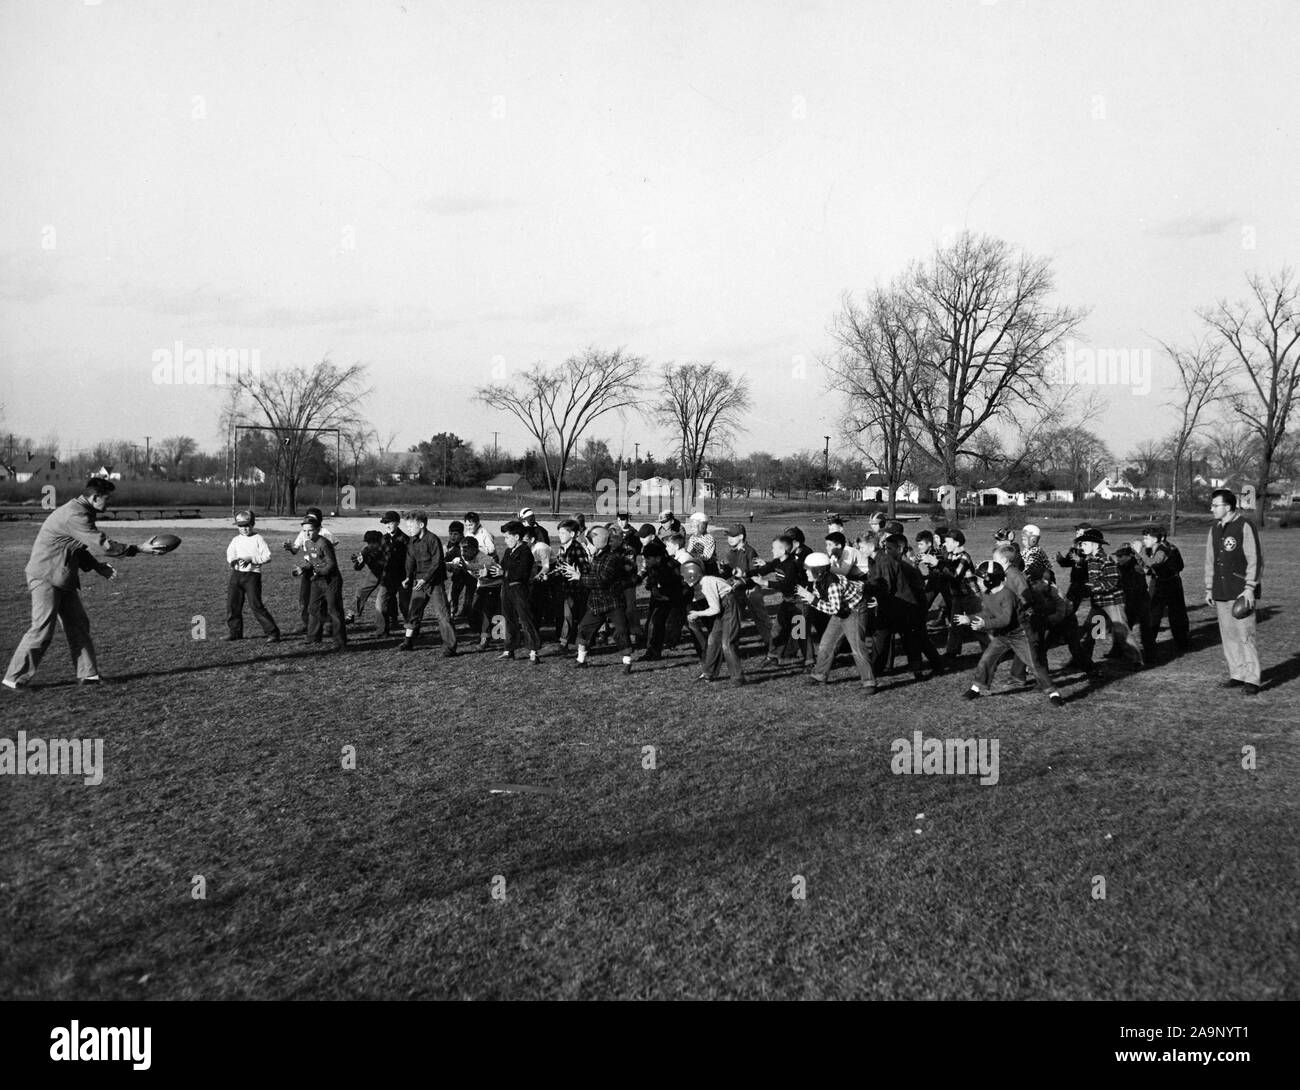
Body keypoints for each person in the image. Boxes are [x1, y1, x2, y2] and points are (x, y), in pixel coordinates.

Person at [4, 478, 158, 689]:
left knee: (78, 624)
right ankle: (14, 678)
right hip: (45, 576)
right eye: (107, 499)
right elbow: (100, 544)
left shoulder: (81, 510)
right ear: (94, 497)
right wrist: (138, 548)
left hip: (62, 576)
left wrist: (96, 566)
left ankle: (88, 675)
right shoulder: (76, 514)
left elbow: (77, 546)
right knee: (42, 629)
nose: (109, 503)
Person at [959, 561, 1064, 706]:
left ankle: (1053, 693)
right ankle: (976, 688)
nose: (978, 582)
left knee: (1034, 664)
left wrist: (985, 624)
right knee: (986, 660)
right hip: (1003, 635)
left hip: (1020, 634)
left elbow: (1005, 619)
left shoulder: (1007, 595)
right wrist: (969, 618)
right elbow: (988, 612)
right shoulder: (988, 593)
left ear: (990, 580)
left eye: (980, 579)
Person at [1205, 489, 1263, 694]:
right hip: (1221, 591)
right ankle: (1237, 674)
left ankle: (1252, 679)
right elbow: (1210, 559)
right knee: (1228, 635)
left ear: (1227, 507)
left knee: (1246, 636)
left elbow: (1255, 558)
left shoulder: (1244, 526)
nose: (1211, 509)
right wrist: (1209, 587)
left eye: (1215, 505)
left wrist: (1249, 588)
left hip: (1240, 592)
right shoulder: (1214, 528)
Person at [797, 551, 877, 692]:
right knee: (826, 644)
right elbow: (828, 603)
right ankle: (819, 675)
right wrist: (810, 598)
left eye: (808, 570)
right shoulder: (819, 582)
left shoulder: (833, 584)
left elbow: (834, 609)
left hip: (855, 611)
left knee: (857, 647)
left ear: (819, 571)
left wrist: (812, 600)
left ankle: (869, 682)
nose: (806, 572)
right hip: (842, 611)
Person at [871, 533, 944, 681]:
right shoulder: (897, 562)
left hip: (912, 607)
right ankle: (878, 668)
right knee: (908, 638)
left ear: (900, 548)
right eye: (886, 548)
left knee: (916, 639)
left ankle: (926, 668)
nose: (887, 551)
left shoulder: (905, 564)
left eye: (890, 548)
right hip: (903, 606)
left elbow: (898, 586)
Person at [562, 524, 633, 674]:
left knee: (621, 631)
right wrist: (578, 572)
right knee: (584, 628)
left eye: (589, 541)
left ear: (599, 541)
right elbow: (593, 577)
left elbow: (601, 581)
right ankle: (581, 660)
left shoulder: (611, 558)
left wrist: (580, 577)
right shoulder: (598, 556)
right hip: (596, 603)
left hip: (613, 602)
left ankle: (627, 662)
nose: (587, 544)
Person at [1076, 528, 1143, 667]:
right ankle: (1083, 660)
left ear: (1095, 544)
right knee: (1092, 631)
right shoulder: (1091, 559)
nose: (1082, 547)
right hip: (1099, 603)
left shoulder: (1105, 560)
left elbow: (1113, 581)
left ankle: (1136, 660)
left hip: (1112, 602)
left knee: (1121, 630)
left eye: (1084, 544)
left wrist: (1093, 587)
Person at [398, 512, 458, 656]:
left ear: (421, 525)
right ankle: (408, 641)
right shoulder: (412, 541)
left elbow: (437, 563)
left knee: (442, 614)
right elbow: (410, 560)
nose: (408, 529)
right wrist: (407, 577)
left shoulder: (433, 540)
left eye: (411, 526)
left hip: (434, 583)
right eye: (407, 526)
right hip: (419, 583)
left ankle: (449, 647)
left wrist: (425, 579)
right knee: (413, 611)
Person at [682, 560, 746, 685]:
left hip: (729, 605)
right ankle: (708, 673)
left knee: (727, 643)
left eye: (685, 577)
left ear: (692, 575)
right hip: (725, 605)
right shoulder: (703, 581)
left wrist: (697, 614)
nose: (684, 580)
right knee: (713, 640)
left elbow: (715, 609)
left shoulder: (706, 583)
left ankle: (738, 677)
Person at [224, 509, 281, 643]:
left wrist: (252, 559)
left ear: (252, 524)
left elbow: (267, 556)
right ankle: (235, 632)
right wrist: (232, 561)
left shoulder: (258, 539)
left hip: (252, 576)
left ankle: (273, 633)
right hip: (236, 575)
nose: (244, 529)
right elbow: (230, 554)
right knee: (233, 605)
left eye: (247, 526)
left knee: (256, 605)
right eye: (241, 526)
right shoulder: (236, 540)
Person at [1134, 525, 1190, 655]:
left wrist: (1138, 552)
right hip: (1158, 581)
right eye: (1144, 538)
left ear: (1158, 538)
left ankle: (1182, 642)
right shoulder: (1151, 549)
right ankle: (1149, 643)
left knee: (1175, 614)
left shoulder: (1163, 550)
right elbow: (1147, 566)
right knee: (1153, 613)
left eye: (1147, 538)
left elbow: (1153, 563)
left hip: (1171, 583)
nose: (1144, 541)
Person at [720, 523, 773, 660]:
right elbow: (731, 572)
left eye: (733, 536)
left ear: (741, 537)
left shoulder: (750, 551)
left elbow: (756, 574)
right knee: (735, 619)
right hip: (737, 591)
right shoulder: (730, 552)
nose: (729, 539)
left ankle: (773, 645)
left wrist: (742, 581)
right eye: (728, 536)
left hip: (751, 590)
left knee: (761, 619)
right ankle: (733, 647)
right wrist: (724, 569)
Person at [294, 515, 347, 651]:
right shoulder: (307, 543)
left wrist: (319, 572)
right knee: (313, 608)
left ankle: (340, 642)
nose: (307, 533)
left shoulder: (324, 543)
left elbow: (331, 565)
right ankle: (313, 637)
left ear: (318, 529)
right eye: (304, 531)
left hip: (331, 580)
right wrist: (303, 569)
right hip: (318, 580)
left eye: (310, 530)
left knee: (334, 610)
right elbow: (311, 562)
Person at [283, 505, 337, 635]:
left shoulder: (324, 534)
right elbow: (295, 549)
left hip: (321, 568)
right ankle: (307, 624)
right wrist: (290, 548)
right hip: (308, 567)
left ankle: (327, 624)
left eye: (312, 518)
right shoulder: (303, 532)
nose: (309, 520)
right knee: (305, 598)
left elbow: (330, 549)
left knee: (323, 599)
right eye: (307, 517)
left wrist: (320, 561)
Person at [751, 534, 803, 665]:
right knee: (776, 629)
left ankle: (805, 659)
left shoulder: (792, 565)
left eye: (774, 548)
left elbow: (786, 584)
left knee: (799, 632)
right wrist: (744, 574)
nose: (771, 550)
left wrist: (766, 583)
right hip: (787, 601)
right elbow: (763, 570)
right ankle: (773, 656)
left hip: (800, 602)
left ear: (783, 551)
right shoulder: (777, 562)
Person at [498, 520, 543, 663]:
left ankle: (533, 651)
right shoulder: (508, 551)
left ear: (516, 537)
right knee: (508, 618)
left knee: (525, 619)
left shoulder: (525, 552)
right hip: (506, 588)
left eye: (507, 537)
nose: (505, 540)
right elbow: (502, 567)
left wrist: (503, 572)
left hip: (519, 589)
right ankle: (509, 649)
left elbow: (521, 573)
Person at [640, 536, 685, 660]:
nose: (646, 561)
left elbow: (680, 585)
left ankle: (704, 650)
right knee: (654, 623)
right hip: (660, 599)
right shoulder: (653, 566)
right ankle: (653, 651)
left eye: (648, 559)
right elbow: (651, 581)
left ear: (658, 557)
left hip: (675, 600)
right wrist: (653, 588)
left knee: (686, 625)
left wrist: (666, 595)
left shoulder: (673, 566)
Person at [374, 510, 409, 639]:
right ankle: (382, 631)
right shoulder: (383, 539)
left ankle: (411, 631)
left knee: (405, 606)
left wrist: (408, 577)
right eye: (385, 523)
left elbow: (409, 561)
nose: (387, 525)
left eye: (390, 522)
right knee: (380, 604)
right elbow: (379, 557)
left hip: (402, 578)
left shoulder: (405, 539)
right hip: (387, 578)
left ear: (398, 523)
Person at [347, 530, 384, 629]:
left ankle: (392, 617)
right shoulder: (366, 550)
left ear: (379, 541)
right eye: (368, 542)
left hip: (388, 573)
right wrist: (358, 562)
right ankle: (351, 615)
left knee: (387, 596)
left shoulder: (386, 548)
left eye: (372, 542)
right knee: (361, 591)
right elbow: (358, 568)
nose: (370, 545)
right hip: (374, 573)